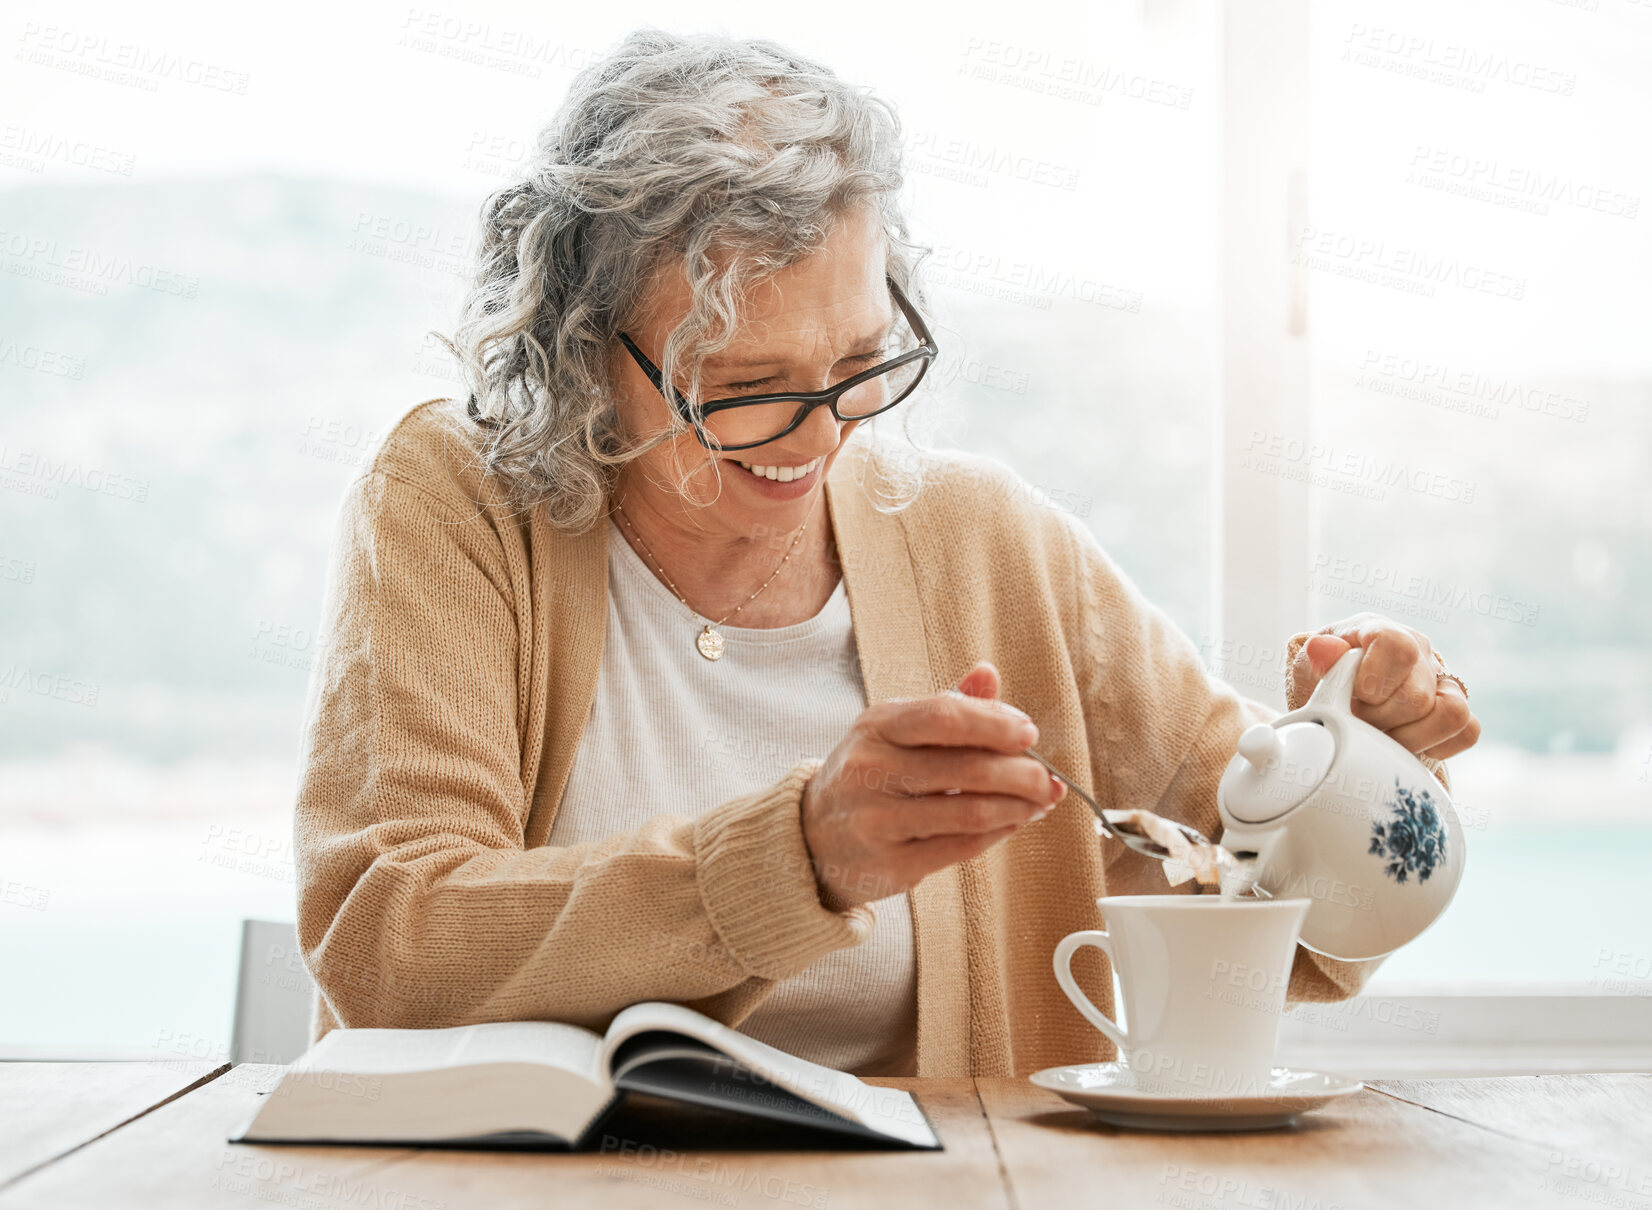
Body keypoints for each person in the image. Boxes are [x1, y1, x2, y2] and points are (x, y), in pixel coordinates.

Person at [293, 28, 1480, 1078]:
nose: (820, 435)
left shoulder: (984, 540)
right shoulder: (457, 500)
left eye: (859, 359)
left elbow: (1285, 912)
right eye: (743, 388)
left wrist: (1359, 771)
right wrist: (798, 855)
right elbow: (387, 939)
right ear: (576, 348)